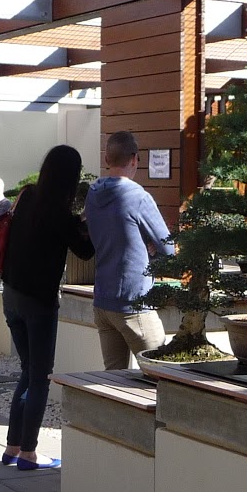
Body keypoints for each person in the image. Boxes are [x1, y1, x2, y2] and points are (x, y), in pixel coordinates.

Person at [0, 146, 93, 470]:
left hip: (10, 295)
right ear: (72, 176)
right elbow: (85, 250)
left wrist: (76, 222)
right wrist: (91, 221)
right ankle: (28, 453)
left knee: (27, 371)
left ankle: (12, 447)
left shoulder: (27, 197)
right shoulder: (59, 213)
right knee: (40, 377)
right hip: (38, 302)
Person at [83, 131, 175, 369]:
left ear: (106, 159)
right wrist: (151, 247)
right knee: (162, 375)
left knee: (113, 380)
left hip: (103, 299)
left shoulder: (92, 195)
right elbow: (168, 248)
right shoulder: (138, 197)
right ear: (135, 159)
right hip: (135, 302)